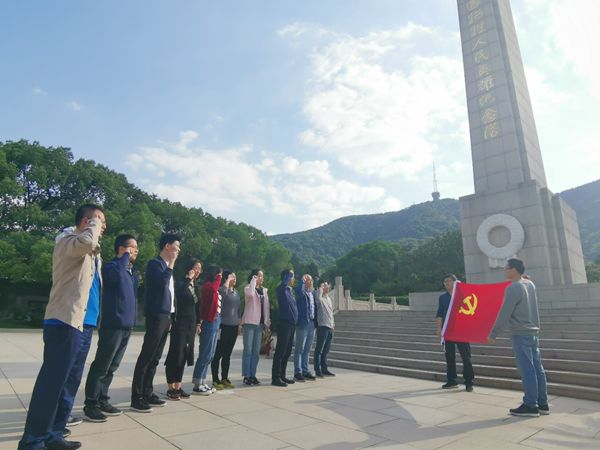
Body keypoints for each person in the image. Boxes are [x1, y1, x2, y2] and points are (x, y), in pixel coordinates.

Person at [19, 204, 106, 450]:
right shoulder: (67, 240)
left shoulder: (92, 252)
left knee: (69, 383)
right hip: (64, 321)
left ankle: (54, 434)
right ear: (86, 221)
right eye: (100, 220)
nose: (103, 226)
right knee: (53, 383)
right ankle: (33, 440)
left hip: (84, 324)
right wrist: (94, 224)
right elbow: (86, 242)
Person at [84, 234, 138, 422]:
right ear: (122, 248)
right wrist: (124, 257)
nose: (136, 251)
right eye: (132, 247)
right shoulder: (111, 267)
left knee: (112, 366)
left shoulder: (131, 271)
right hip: (112, 325)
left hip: (127, 326)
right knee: (102, 365)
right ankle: (91, 404)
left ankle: (102, 399)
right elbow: (114, 278)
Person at [489, 258, 549, 417]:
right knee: (538, 369)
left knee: (527, 369)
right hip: (533, 332)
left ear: (513, 269)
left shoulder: (513, 288)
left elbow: (505, 313)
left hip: (520, 334)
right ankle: (542, 403)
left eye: (506, 267)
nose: (504, 270)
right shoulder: (530, 284)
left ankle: (530, 405)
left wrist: (494, 333)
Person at [130, 233, 180, 413]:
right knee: (147, 356)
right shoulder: (155, 264)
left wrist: (173, 315)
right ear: (167, 246)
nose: (179, 250)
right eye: (177, 246)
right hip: (157, 315)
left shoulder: (167, 267)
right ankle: (137, 397)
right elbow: (161, 283)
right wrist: (171, 263)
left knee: (156, 357)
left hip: (167, 316)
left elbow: (171, 293)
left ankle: (148, 392)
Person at [164, 258, 202, 400]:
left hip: (191, 325)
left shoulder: (195, 286)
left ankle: (178, 386)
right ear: (189, 268)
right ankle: (170, 388)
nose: (198, 271)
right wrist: (187, 279)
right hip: (180, 324)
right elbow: (178, 295)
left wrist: (198, 323)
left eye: (200, 269)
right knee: (176, 354)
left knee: (185, 355)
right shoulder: (180, 283)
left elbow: (196, 307)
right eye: (196, 268)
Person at [436, 274, 475, 392]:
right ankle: (451, 380)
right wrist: (439, 329)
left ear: (455, 282)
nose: (446, 283)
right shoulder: (442, 298)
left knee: (466, 357)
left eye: (448, 281)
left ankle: (469, 382)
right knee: (449, 357)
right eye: (445, 282)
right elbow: (440, 314)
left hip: (461, 331)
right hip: (448, 331)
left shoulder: (462, 295)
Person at [192, 265, 223, 395]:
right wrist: (219, 277)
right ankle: (197, 384)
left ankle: (202, 381)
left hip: (216, 321)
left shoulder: (213, 287)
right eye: (219, 274)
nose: (221, 277)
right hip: (209, 322)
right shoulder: (207, 286)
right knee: (205, 354)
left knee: (210, 355)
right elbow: (214, 289)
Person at [211, 271, 241, 389]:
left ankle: (225, 378)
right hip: (223, 326)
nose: (235, 278)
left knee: (227, 354)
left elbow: (238, 309)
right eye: (232, 276)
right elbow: (222, 293)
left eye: (235, 276)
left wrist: (239, 324)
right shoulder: (222, 290)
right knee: (218, 353)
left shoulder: (236, 293)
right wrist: (226, 283)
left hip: (233, 326)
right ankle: (215, 379)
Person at [241, 269, 271, 386]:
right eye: (259, 275)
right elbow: (250, 295)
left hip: (260, 324)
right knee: (248, 350)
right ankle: (246, 375)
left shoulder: (264, 291)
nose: (261, 278)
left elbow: (266, 308)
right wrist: (253, 281)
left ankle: (253, 375)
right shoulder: (249, 288)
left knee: (256, 351)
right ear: (253, 276)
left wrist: (267, 322)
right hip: (250, 322)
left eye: (262, 276)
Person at [271, 269, 298, 387]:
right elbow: (281, 288)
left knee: (287, 351)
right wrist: (285, 281)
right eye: (291, 276)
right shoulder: (281, 289)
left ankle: (282, 375)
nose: (293, 278)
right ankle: (275, 377)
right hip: (284, 324)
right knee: (280, 351)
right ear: (286, 277)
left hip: (292, 324)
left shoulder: (290, 291)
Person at [294, 274, 317, 381]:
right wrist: (302, 281)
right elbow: (298, 291)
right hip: (303, 323)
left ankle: (305, 370)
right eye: (308, 280)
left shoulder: (312, 293)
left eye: (311, 280)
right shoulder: (301, 293)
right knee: (300, 348)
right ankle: (297, 371)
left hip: (312, 323)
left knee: (307, 349)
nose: (310, 281)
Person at [314, 281, 335, 377]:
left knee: (326, 350)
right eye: (324, 286)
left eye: (327, 285)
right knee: (319, 350)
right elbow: (317, 299)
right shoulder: (319, 298)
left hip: (330, 326)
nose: (327, 287)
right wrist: (320, 288)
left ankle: (324, 369)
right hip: (322, 326)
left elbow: (331, 312)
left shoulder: (329, 299)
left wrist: (333, 324)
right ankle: (317, 370)